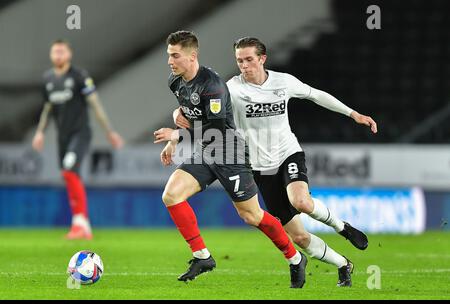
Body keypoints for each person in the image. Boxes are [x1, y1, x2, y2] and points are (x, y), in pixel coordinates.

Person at [174, 37, 378, 287]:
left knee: (301, 201)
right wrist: (178, 114)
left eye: (249, 59)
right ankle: (343, 264)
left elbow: (316, 95)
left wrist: (353, 114)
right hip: (259, 167)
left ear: (262, 59)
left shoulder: (284, 82)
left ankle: (342, 227)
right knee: (299, 237)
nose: (244, 65)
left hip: (287, 153)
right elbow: (205, 111)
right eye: (239, 61)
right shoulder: (232, 89)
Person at [154, 30, 308, 288]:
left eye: (174, 55)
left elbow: (214, 129)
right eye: (168, 55)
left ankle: (294, 258)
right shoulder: (176, 81)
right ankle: (202, 257)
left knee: (251, 216)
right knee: (171, 195)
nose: (170, 61)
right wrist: (173, 138)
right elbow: (187, 111)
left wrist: (178, 135)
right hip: (206, 150)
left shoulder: (212, 86)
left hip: (228, 152)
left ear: (192, 57)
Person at [32, 39, 124, 240]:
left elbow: (95, 104)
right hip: (62, 136)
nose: (58, 55)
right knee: (68, 174)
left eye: (61, 51)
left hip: (80, 133)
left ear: (69, 54)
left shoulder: (79, 76)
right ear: (50, 54)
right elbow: (47, 109)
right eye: (55, 51)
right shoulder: (48, 79)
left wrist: (110, 132)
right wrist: (39, 132)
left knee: (69, 169)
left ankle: (80, 223)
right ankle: (82, 224)